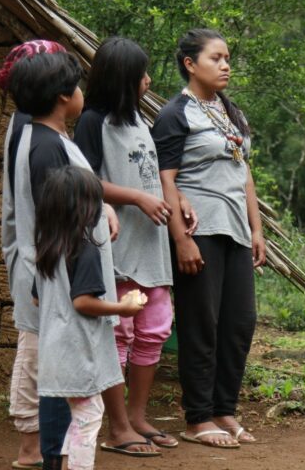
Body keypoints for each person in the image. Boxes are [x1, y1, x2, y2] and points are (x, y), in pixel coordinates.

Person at [73, 37, 196, 449]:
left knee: (154, 331)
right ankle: (117, 425)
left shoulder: (140, 120)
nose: (148, 80)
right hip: (118, 249)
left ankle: (139, 417)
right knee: (120, 334)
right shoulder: (93, 122)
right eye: (140, 73)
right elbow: (85, 181)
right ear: (121, 79)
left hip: (152, 247)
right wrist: (138, 198)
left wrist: (177, 199)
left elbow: (156, 174)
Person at [152, 28, 265, 449]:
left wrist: (257, 229)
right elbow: (166, 178)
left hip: (236, 230)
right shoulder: (175, 114)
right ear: (189, 64)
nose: (225, 65)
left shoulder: (230, 112)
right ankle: (197, 417)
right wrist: (180, 239)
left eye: (227, 58)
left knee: (240, 323)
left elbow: (244, 174)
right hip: (201, 232)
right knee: (202, 324)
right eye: (216, 58)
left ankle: (224, 409)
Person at [32, 166, 145, 470]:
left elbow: (36, 297)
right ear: (86, 208)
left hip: (51, 351)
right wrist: (121, 308)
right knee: (88, 416)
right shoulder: (85, 250)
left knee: (56, 421)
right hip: (77, 352)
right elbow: (83, 302)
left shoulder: (47, 249)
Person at [0, 39, 72, 470]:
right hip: (33, 257)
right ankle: (29, 443)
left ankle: (43, 441)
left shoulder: (35, 124)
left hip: (38, 254)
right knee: (34, 346)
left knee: (42, 345)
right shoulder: (30, 127)